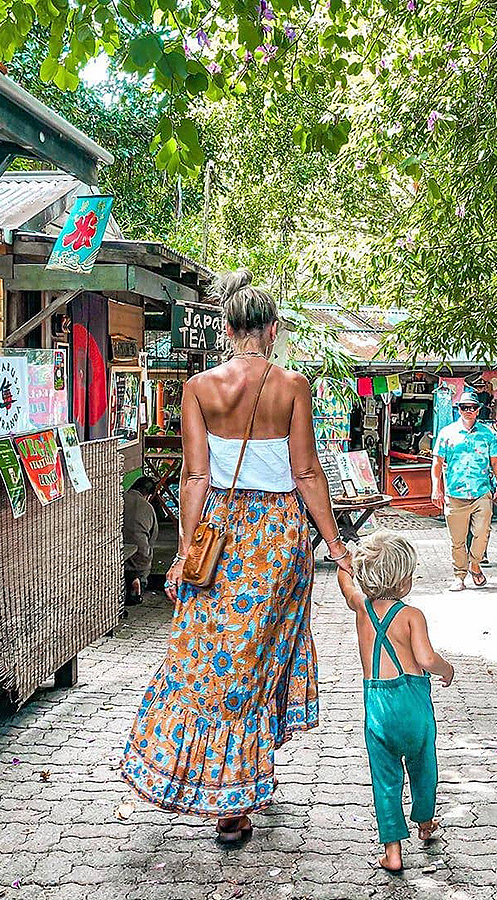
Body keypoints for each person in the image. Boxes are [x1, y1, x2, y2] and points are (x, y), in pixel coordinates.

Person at [121, 269, 352, 843]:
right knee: (257, 660)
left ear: (225, 327)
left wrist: (185, 549)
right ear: (271, 330)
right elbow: (305, 471)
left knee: (207, 660)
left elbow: (194, 475)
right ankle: (236, 795)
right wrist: (338, 543)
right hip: (277, 540)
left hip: (219, 532)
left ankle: (225, 785)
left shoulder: (199, 388)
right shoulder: (292, 385)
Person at [337, 531, 454, 874]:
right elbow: (426, 658)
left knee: (385, 780)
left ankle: (392, 852)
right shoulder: (411, 615)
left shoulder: (361, 607)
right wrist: (447, 671)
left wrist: (343, 560)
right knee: (423, 766)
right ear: (403, 581)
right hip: (413, 704)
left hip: (377, 707)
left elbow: (347, 586)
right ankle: (425, 823)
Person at [430, 388, 497, 590]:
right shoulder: (446, 433)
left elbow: (496, 463)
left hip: (481, 492)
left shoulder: (488, 434)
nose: (468, 411)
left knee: (482, 533)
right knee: (457, 540)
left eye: (472, 407)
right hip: (454, 494)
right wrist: (435, 488)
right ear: (459, 409)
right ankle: (459, 576)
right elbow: (437, 463)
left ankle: (475, 563)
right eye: (464, 407)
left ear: (478, 410)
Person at [123, 476, 159, 606]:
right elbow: (152, 538)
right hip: (140, 560)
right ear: (149, 495)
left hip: (118, 553)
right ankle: (138, 583)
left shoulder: (119, 500)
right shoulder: (148, 508)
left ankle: (129, 582)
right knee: (145, 554)